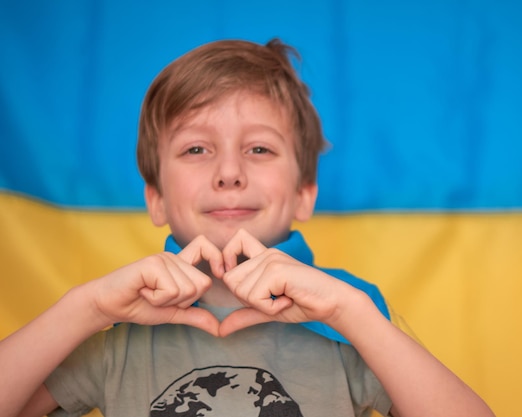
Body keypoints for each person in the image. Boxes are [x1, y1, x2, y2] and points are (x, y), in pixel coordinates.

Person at [0, 38, 496, 417]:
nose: (229, 172)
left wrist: (356, 314)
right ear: (155, 198)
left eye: (259, 149)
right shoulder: (116, 336)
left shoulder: (352, 323)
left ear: (305, 192)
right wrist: (82, 309)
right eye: (197, 149)